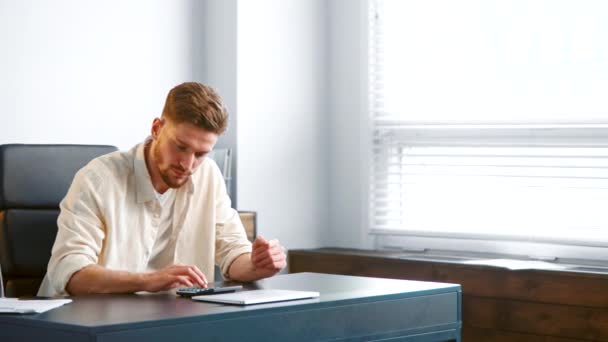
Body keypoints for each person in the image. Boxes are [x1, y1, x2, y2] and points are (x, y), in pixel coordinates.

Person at [38, 82, 286, 296]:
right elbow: (70, 273)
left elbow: (232, 254)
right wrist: (150, 280)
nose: (188, 164)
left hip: (162, 320)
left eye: (200, 154)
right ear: (157, 128)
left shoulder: (208, 175)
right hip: (79, 322)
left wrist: (257, 265)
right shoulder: (98, 179)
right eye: (180, 147)